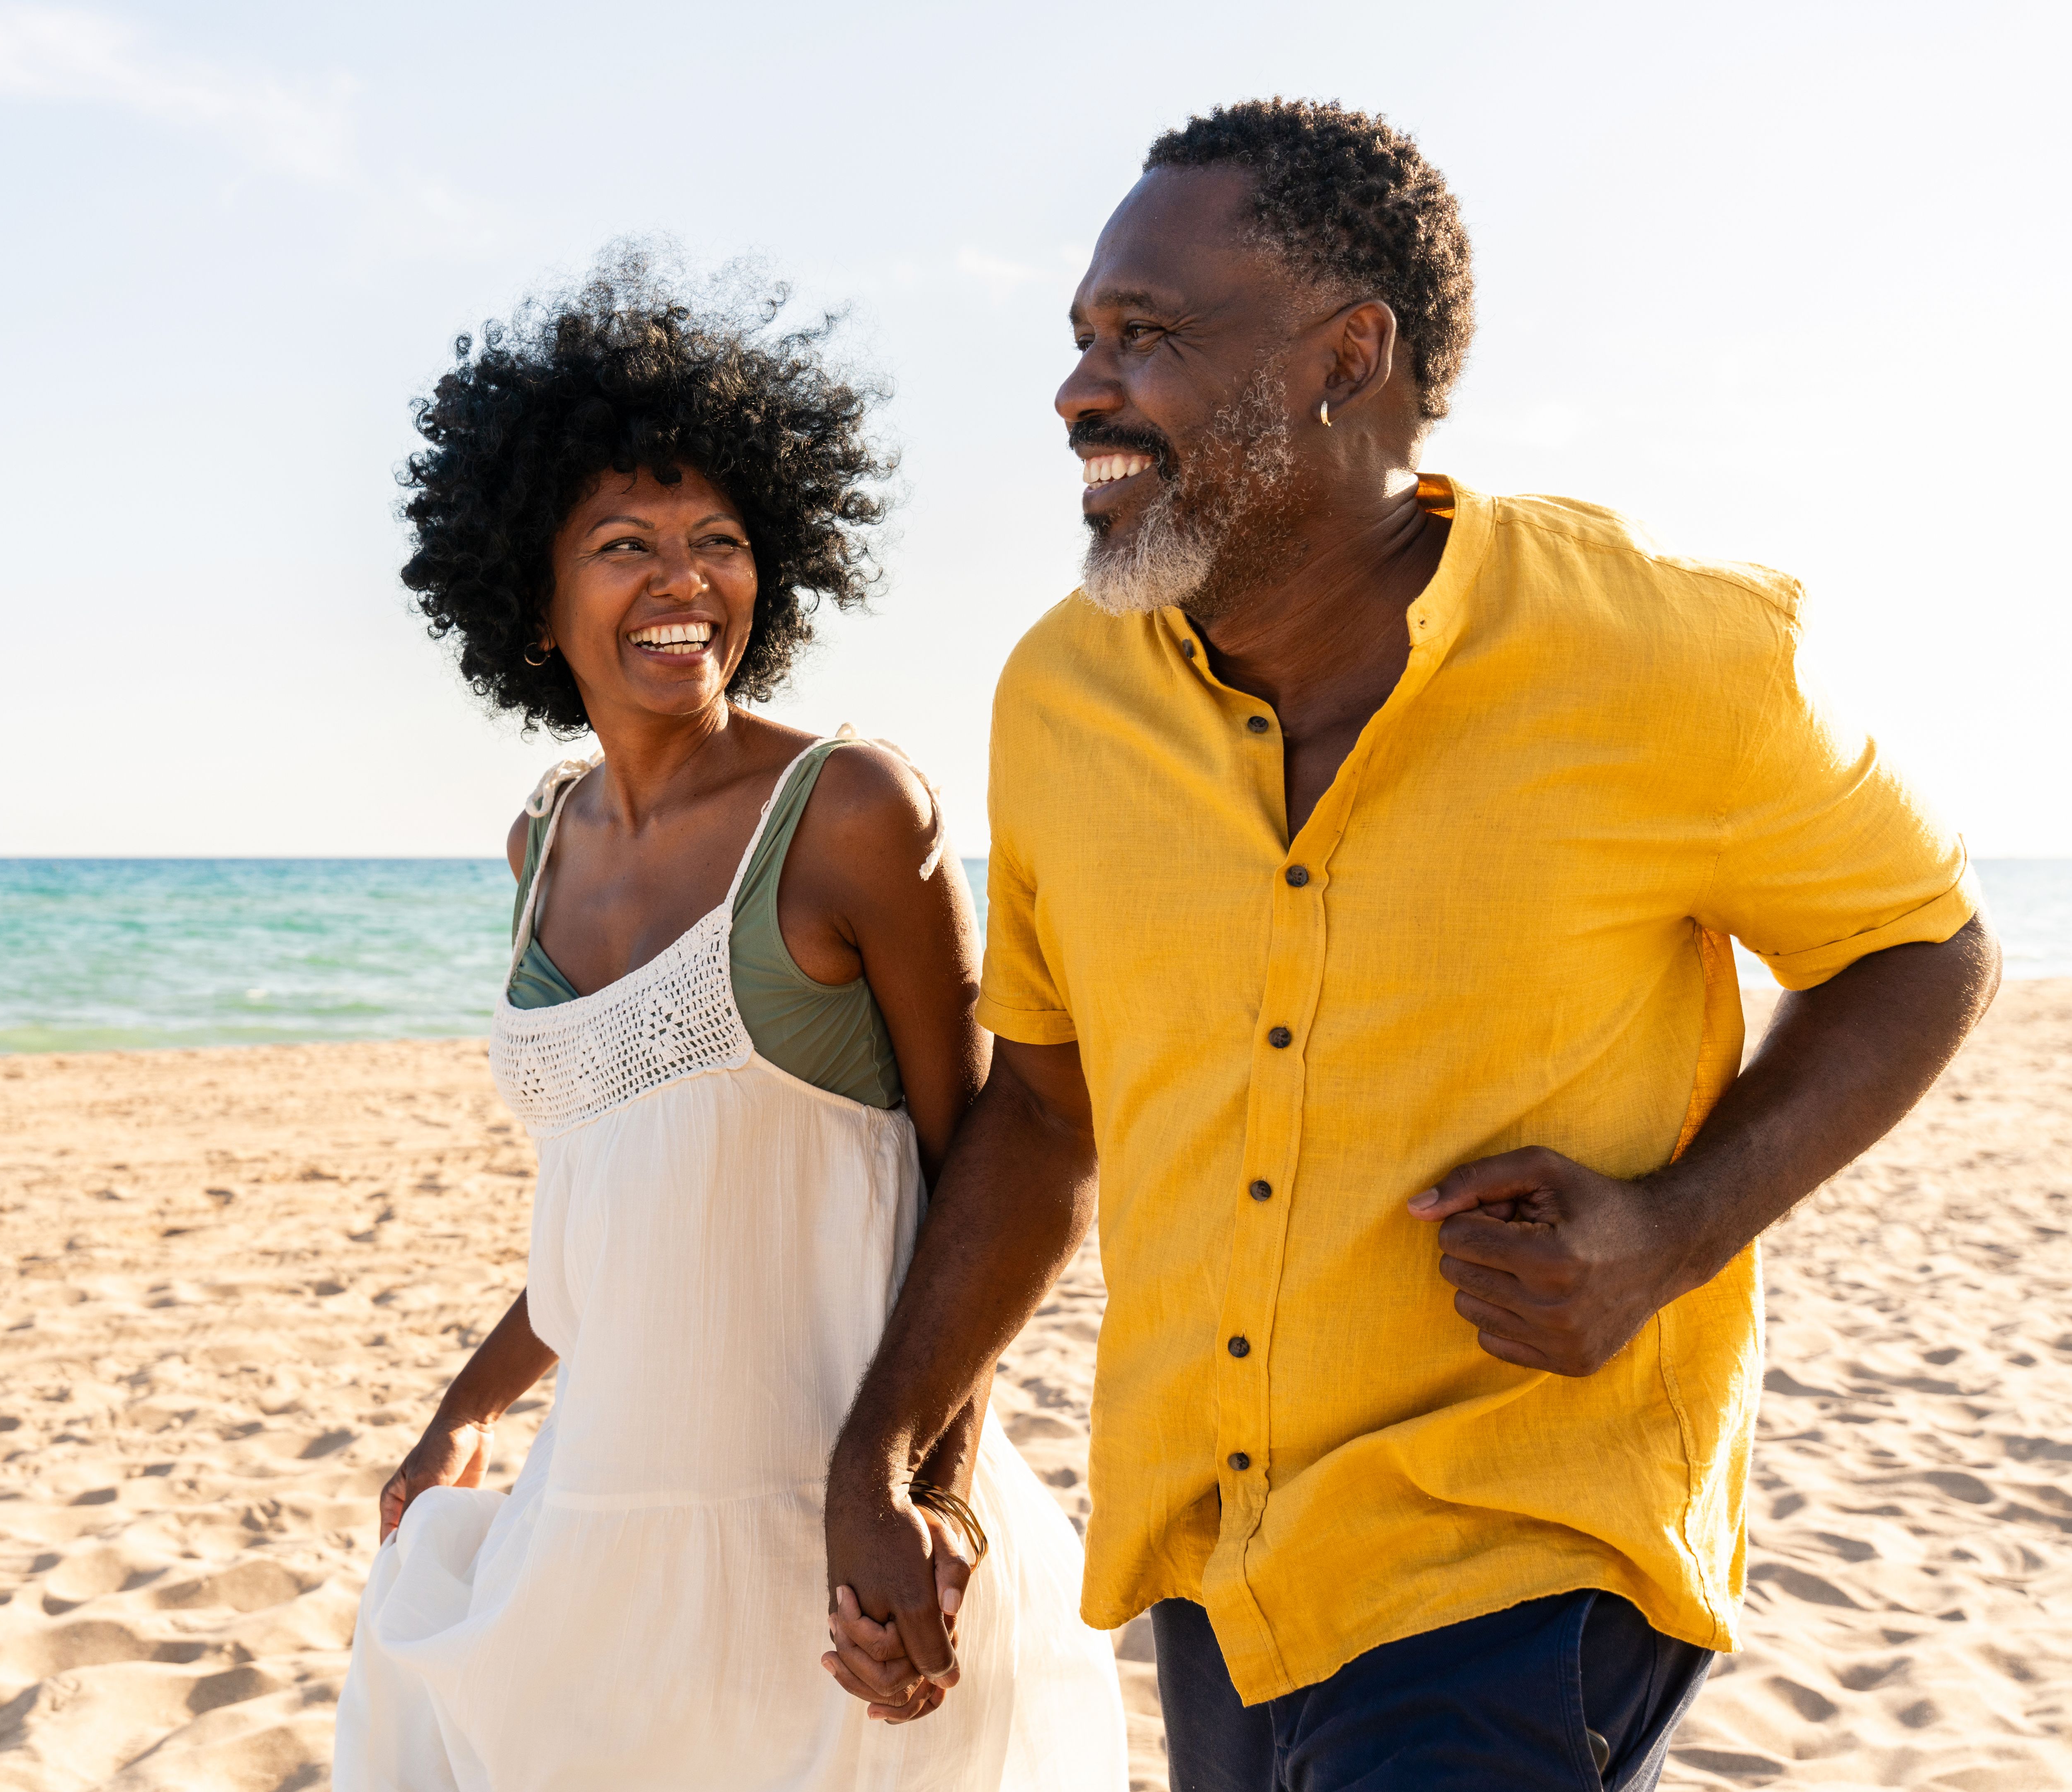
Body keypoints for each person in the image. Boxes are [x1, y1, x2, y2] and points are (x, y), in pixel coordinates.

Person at [817, 101, 1999, 1790]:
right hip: (1217, 1575)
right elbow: (1049, 1111)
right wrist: (893, 1453)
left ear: (1347, 356)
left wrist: (1672, 1234)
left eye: (1147, 335)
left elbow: (1921, 946)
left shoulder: (1660, 653)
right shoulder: (1059, 699)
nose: (1081, 389)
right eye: (1081, 338)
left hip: (1531, 1554)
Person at [331, 253, 1124, 1791]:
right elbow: (629, 1221)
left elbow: (988, 1180)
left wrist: (937, 1501)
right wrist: (462, 1411)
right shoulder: (540, 843)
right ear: (532, 595)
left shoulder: (851, 814)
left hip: (834, 1555)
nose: (684, 581)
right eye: (624, 545)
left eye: (721, 542)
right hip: (598, 1551)